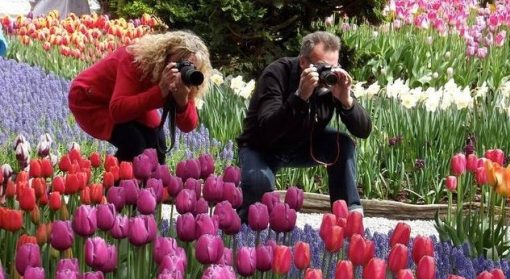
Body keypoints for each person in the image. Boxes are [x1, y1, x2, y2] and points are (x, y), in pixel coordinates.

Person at [236, 31, 372, 222]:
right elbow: (267, 128)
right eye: (321, 67)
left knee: (343, 144)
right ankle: (244, 234)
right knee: (257, 200)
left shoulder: (333, 83)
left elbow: (363, 130)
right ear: (303, 62)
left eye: (333, 67)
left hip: (304, 145)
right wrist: (300, 97)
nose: (328, 74)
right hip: (262, 147)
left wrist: (346, 100)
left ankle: (348, 216)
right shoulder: (277, 73)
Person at [68, 30, 211, 164]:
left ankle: (150, 187)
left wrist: (182, 101)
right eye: (180, 64)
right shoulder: (135, 60)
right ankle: (116, 187)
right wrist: (161, 90)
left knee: (158, 143)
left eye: (192, 68)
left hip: (129, 98)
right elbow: (118, 111)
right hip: (90, 98)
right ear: (166, 56)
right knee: (134, 142)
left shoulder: (188, 76)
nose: (184, 71)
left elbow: (188, 126)